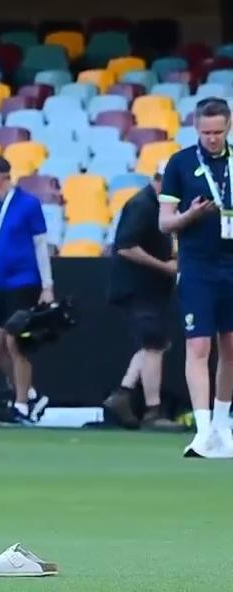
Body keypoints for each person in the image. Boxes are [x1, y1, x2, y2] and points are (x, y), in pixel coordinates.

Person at [158, 97, 233, 458]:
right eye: (206, 133)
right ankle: (203, 430)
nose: (212, 139)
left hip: (232, 264)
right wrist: (190, 215)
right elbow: (165, 222)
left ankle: (223, 424)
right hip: (198, 265)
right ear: (196, 129)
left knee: (231, 347)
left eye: (218, 132)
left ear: (229, 126)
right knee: (199, 346)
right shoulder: (181, 163)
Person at [0, 155, 53, 424]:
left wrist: (47, 285)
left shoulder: (28, 204)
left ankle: (20, 405)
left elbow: (41, 245)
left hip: (24, 282)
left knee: (15, 341)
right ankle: (28, 393)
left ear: (0, 175)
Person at [103, 162, 181, 430]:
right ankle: (152, 411)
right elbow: (126, 247)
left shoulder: (155, 205)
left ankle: (123, 394)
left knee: (155, 343)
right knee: (153, 345)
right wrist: (165, 267)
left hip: (149, 288)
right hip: (138, 287)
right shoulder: (142, 205)